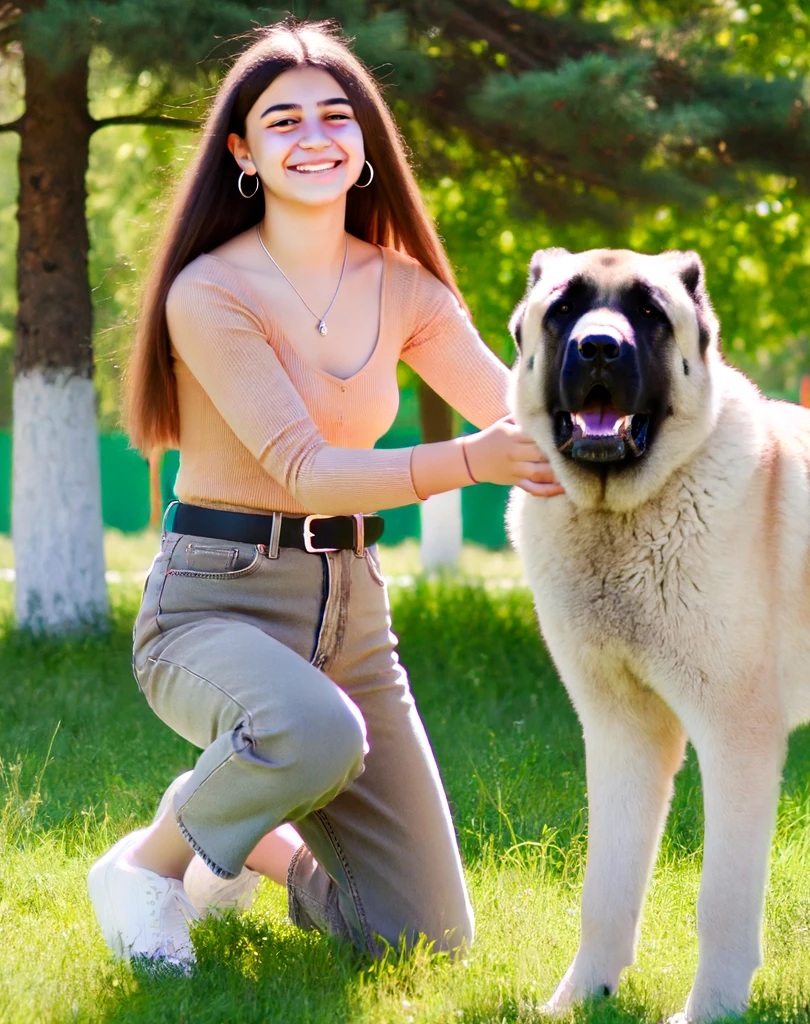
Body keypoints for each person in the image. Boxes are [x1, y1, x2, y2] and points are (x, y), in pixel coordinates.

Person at [88, 20, 560, 971]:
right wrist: (471, 463)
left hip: (353, 614)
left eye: (336, 116)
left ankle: (248, 831)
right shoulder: (208, 290)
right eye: (284, 120)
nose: (316, 136)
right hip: (214, 599)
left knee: (424, 943)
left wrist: (620, 394)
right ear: (244, 152)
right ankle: (148, 867)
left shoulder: (405, 287)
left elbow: (520, 408)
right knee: (309, 731)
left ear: (365, 145)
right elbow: (303, 468)